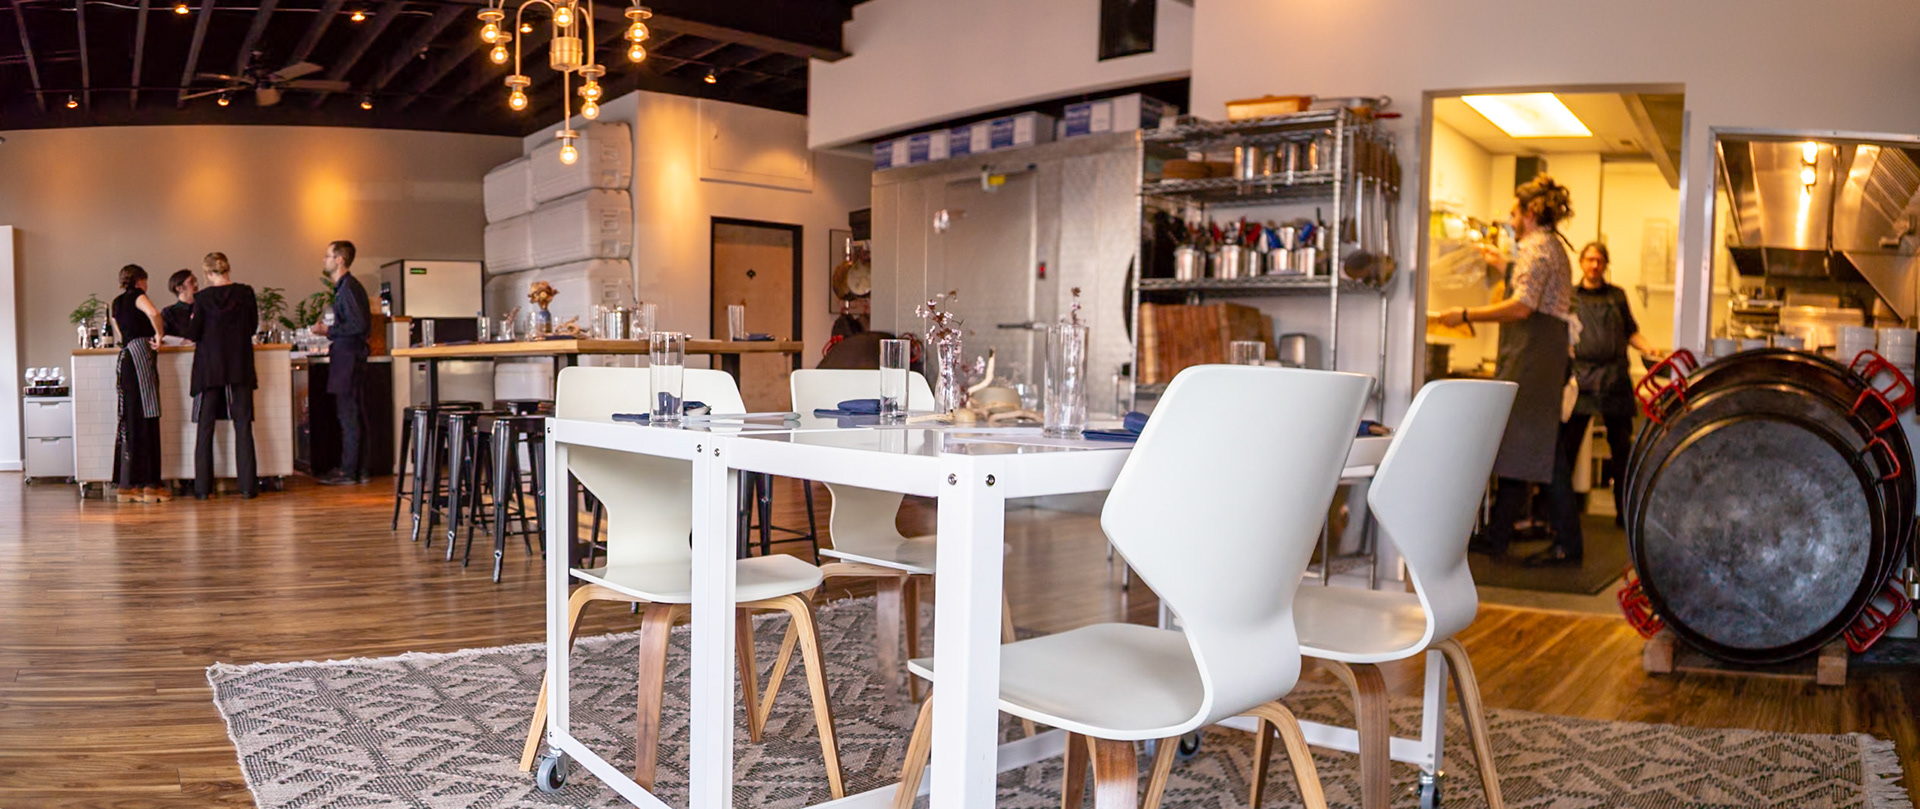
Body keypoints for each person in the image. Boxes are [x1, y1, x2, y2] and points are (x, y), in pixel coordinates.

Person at [1435, 175, 1579, 562]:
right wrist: (1504, 264)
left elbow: (1522, 307)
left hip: (1535, 355)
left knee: (1539, 450)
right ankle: (1500, 536)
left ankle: (1566, 544)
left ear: (1531, 213)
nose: (1511, 219)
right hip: (1543, 356)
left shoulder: (1536, 247)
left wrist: (1463, 314)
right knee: (1525, 447)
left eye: (1515, 212)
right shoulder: (1551, 247)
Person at [1569, 242, 1664, 541]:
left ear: (1605, 264)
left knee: (1622, 452)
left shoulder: (1617, 296)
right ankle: (1563, 515)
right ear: (1582, 262)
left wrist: (1647, 347)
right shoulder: (1569, 297)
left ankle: (1624, 516)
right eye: (1590, 260)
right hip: (1581, 379)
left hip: (1614, 379)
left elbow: (1631, 331)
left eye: (1599, 260)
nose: (1594, 265)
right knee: (1566, 450)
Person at [184, 251, 260, 500]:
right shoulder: (246, 293)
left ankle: (203, 488)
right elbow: (252, 327)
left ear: (207, 274)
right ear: (227, 269)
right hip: (239, 364)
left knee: (205, 428)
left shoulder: (202, 298)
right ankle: (248, 487)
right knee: (243, 426)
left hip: (209, 367)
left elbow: (194, 333)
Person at [310, 240, 371, 485]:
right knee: (350, 413)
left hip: (348, 359)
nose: (324, 260)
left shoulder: (348, 289)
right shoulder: (346, 288)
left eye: (327, 256)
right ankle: (355, 468)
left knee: (349, 414)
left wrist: (328, 330)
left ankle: (350, 471)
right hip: (347, 357)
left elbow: (358, 325)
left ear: (339, 260)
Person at [111, 264, 170, 503]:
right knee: (148, 415)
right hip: (141, 357)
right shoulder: (139, 296)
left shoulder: (115, 303)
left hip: (125, 359)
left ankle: (127, 484)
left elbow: (118, 334)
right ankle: (150, 485)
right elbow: (155, 314)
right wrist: (159, 335)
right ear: (139, 281)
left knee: (129, 419)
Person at [161, 269, 197, 340]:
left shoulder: (204, 308)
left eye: (195, 281)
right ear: (179, 288)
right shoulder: (169, 313)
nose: (196, 284)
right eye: (191, 282)